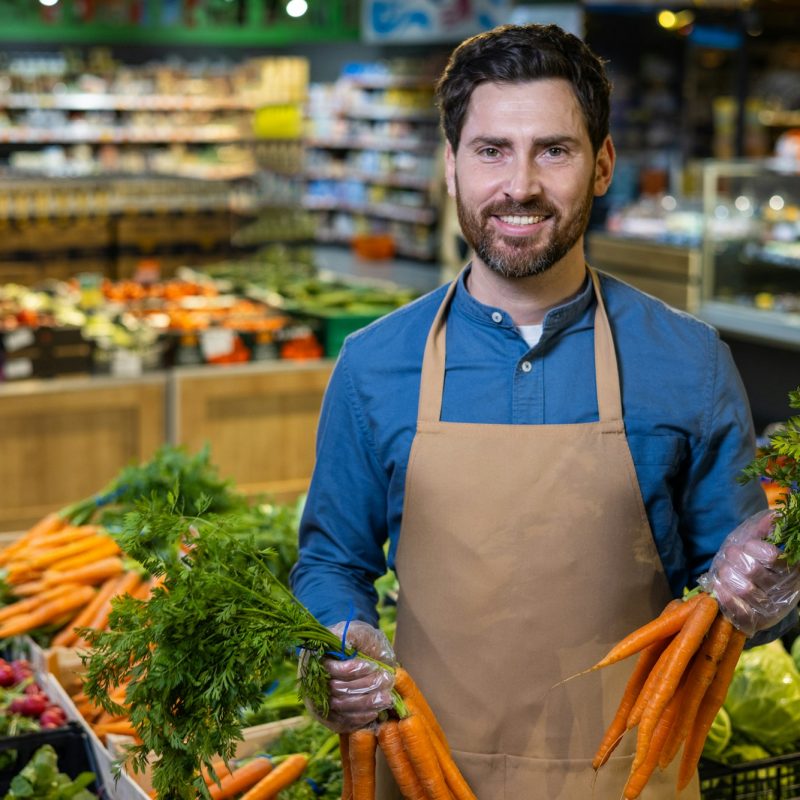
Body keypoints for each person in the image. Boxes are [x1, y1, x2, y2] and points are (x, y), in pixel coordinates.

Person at [290, 23, 799, 799]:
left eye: (553, 150)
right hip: (428, 774)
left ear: (601, 168)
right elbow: (331, 561)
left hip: (633, 775)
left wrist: (765, 584)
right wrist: (334, 642)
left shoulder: (689, 360)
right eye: (491, 150)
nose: (519, 184)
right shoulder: (374, 364)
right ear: (450, 167)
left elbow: (732, 580)